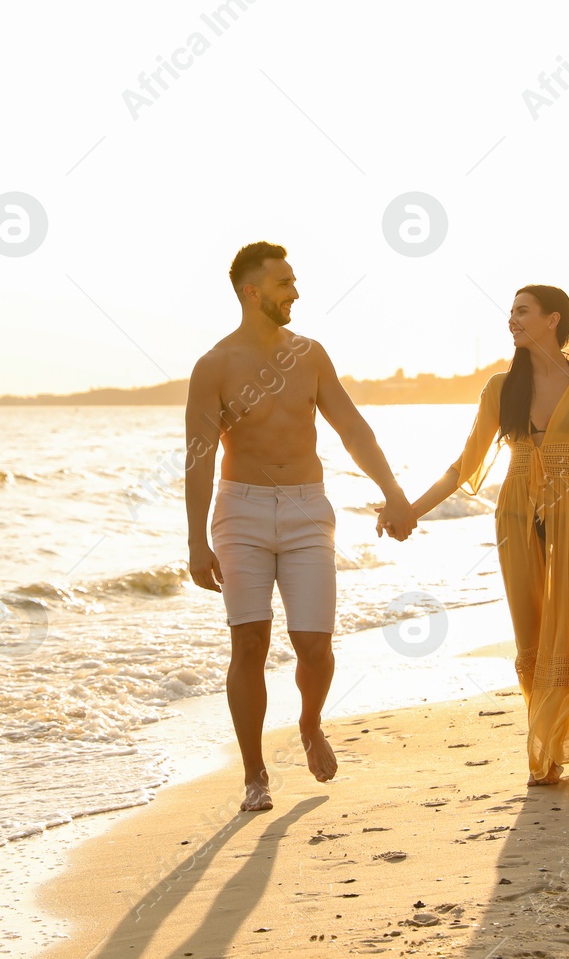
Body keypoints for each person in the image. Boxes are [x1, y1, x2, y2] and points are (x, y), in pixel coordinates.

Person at [385, 284, 569, 786]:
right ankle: (546, 749)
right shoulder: (502, 387)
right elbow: (466, 464)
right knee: (532, 632)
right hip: (518, 509)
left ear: (552, 319)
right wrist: (411, 510)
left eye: (523, 311)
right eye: (512, 312)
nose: (513, 319)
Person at [185, 241, 416, 812]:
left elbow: (353, 429)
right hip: (240, 511)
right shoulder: (214, 366)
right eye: (285, 282)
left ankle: (310, 723)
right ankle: (254, 773)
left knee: (314, 646)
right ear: (251, 292)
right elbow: (198, 457)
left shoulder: (311, 355)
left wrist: (392, 490)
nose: (295, 291)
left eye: (294, 280)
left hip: (309, 509)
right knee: (250, 640)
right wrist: (196, 541)